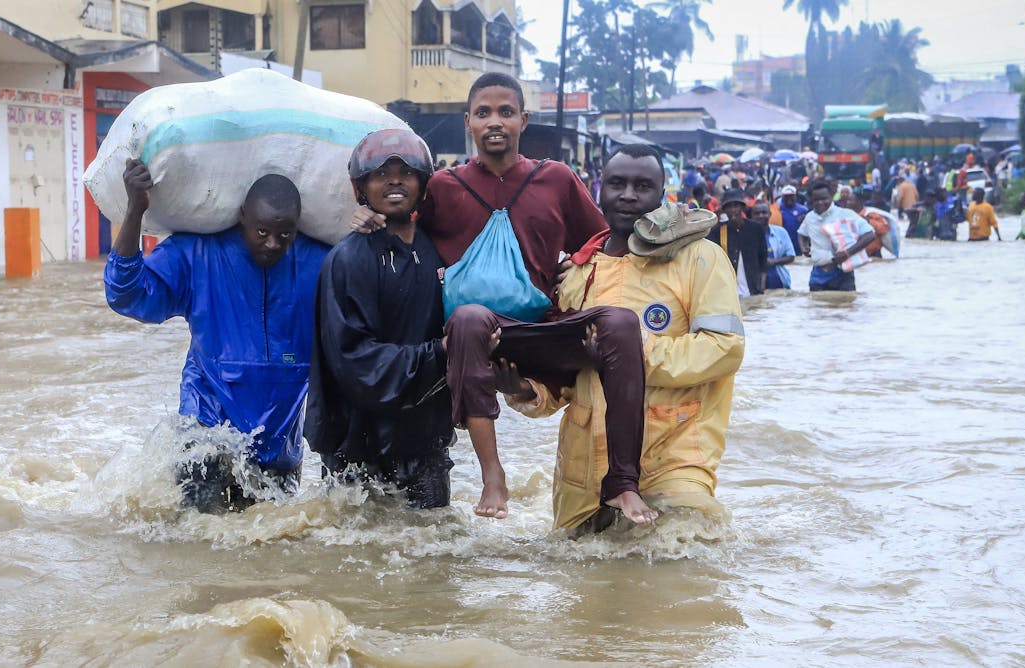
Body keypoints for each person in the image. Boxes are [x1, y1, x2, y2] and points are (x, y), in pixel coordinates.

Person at [350, 72, 655, 525]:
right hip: (475, 340)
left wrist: (577, 263)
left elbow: (603, 242)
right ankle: (493, 474)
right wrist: (367, 217)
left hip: (542, 332)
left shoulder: (556, 179)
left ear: (523, 121)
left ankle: (622, 482)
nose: (496, 122)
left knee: (622, 323)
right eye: (484, 113)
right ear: (468, 121)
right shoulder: (443, 186)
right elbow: (403, 225)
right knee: (471, 316)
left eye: (506, 112)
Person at [498, 145, 745, 533]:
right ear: (600, 190)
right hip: (582, 476)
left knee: (680, 562)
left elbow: (724, 349)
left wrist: (630, 353)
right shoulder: (578, 271)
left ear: (662, 194)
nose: (628, 195)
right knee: (583, 586)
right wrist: (529, 390)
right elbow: (568, 375)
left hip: (673, 460)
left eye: (642, 185)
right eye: (617, 184)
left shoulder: (700, 257)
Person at [104, 160, 329, 513]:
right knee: (200, 547)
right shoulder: (198, 254)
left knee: (273, 552)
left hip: (279, 449)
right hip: (205, 438)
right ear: (242, 216)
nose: (272, 244)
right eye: (261, 232)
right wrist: (135, 209)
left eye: (284, 235)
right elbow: (126, 294)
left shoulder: (321, 265)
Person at [306, 129, 455, 508]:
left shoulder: (437, 250)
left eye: (405, 173)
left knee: (434, 553)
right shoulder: (348, 260)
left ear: (423, 184)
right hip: (357, 445)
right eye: (381, 174)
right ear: (361, 188)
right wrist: (440, 353)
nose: (393, 181)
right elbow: (354, 360)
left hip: (424, 444)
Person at [798, 179, 878, 292]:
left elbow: (870, 234)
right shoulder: (810, 217)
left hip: (843, 272)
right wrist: (804, 247)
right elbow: (801, 233)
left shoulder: (846, 214)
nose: (820, 202)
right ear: (811, 200)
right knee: (816, 306)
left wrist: (847, 253)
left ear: (832, 196)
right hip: (818, 274)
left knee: (844, 306)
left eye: (824, 199)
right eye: (816, 200)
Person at [707, 189, 767, 296]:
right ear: (724, 210)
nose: (733, 210)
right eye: (729, 207)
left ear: (742, 208)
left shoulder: (756, 229)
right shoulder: (718, 231)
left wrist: (761, 287)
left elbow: (763, 259)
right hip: (729, 291)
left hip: (753, 289)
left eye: (736, 206)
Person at [755, 201, 795, 290]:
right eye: (757, 213)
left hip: (780, 280)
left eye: (764, 212)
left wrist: (773, 262)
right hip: (755, 281)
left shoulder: (781, 232)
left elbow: (791, 257)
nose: (761, 215)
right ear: (752, 215)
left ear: (769, 214)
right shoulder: (747, 233)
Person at [776, 185, 810, 255]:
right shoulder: (777, 209)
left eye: (791, 196)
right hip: (783, 244)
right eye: (786, 196)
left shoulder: (803, 210)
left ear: (795, 196)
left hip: (799, 244)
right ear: (782, 197)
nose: (789, 198)